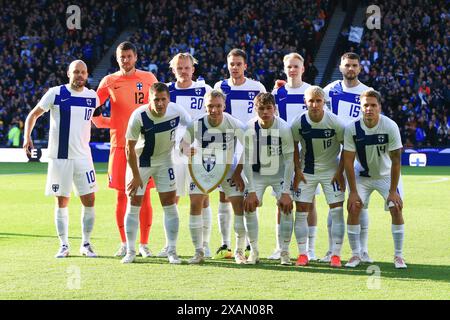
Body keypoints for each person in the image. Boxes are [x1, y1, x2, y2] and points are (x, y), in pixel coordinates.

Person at [23, 60, 99, 258]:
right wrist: (27, 137)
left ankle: (86, 243)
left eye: (83, 72)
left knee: (89, 200)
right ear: (68, 74)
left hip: (84, 157)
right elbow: (34, 114)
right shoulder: (56, 93)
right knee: (62, 201)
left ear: (87, 74)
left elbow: (97, 120)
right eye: (76, 72)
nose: (80, 75)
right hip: (60, 157)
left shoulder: (92, 97)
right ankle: (64, 245)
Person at [92, 41, 158, 258]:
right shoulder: (109, 81)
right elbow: (92, 107)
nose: (126, 60)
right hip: (119, 146)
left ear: (136, 57)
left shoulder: (148, 78)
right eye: (122, 57)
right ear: (117, 58)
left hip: (145, 146)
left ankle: (144, 244)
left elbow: (160, 107)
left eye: (129, 56)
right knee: (122, 196)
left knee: (145, 196)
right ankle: (124, 242)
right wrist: (107, 122)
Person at [121, 83, 191, 264]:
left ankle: (172, 250)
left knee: (169, 204)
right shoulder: (139, 116)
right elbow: (128, 148)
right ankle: (130, 251)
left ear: (168, 99)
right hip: (140, 162)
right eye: (156, 100)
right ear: (149, 100)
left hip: (165, 161)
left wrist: (185, 143)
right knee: (134, 203)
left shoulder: (176, 111)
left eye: (163, 99)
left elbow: (192, 126)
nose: (160, 104)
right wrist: (136, 176)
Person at [157, 53, 213, 258]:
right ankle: (169, 244)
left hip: (200, 152)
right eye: (179, 68)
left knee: (202, 199)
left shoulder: (205, 90)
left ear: (193, 69)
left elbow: (211, 119)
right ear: (173, 70)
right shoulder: (166, 91)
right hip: (173, 154)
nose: (183, 71)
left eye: (187, 67)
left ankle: (205, 244)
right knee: (171, 198)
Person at [343, 89, 406, 269]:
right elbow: (348, 161)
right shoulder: (352, 128)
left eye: (373, 105)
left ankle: (399, 256)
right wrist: (353, 192)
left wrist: (393, 191)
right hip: (362, 177)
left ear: (379, 107)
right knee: (354, 207)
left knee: (396, 207)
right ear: (360, 108)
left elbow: (396, 160)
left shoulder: (390, 126)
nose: (369, 109)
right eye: (365, 105)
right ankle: (356, 254)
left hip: (387, 176)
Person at [181, 89, 246, 264]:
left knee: (239, 205)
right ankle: (198, 251)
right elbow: (183, 143)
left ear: (224, 105)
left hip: (228, 171)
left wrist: (239, 171)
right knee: (195, 203)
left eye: (218, 106)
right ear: (205, 106)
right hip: (204, 170)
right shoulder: (197, 124)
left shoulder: (234, 123)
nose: (214, 110)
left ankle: (239, 251)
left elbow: (250, 146)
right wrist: (187, 150)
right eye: (210, 106)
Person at [213, 48, 266, 259]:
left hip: (250, 146)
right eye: (231, 64)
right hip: (227, 147)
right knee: (224, 196)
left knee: (249, 196)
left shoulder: (257, 87)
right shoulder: (220, 86)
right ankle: (225, 243)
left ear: (245, 65)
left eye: (238, 64)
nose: (234, 67)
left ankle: (248, 245)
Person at [322, 52, 373, 264]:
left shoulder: (368, 93)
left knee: (358, 204)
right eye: (347, 65)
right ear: (340, 67)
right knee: (334, 206)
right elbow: (313, 108)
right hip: (333, 156)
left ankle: (362, 250)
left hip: (360, 157)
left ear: (359, 68)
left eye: (354, 65)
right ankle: (332, 250)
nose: (350, 69)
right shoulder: (329, 91)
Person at [270, 52, 320, 261]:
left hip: (308, 154)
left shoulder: (311, 92)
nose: (292, 70)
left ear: (303, 68)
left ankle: (310, 248)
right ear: (284, 68)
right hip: (282, 154)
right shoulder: (276, 93)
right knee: (281, 200)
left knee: (309, 202)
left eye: (296, 66)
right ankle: (281, 247)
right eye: (289, 66)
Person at [291, 86, 346, 267]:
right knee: (300, 213)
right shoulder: (298, 122)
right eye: (311, 101)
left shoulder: (336, 123)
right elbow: (293, 146)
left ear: (324, 102)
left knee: (337, 212)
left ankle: (336, 255)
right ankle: (302, 254)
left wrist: (340, 171)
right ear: (305, 102)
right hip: (307, 172)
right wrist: (297, 170)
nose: (314, 105)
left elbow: (347, 147)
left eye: (318, 101)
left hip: (331, 171)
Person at [243, 93, 295, 265]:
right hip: (257, 175)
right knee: (249, 207)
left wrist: (286, 191)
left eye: (268, 108)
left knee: (287, 208)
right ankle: (254, 251)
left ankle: (284, 251)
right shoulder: (249, 127)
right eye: (261, 108)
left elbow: (289, 161)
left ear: (275, 109)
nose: (265, 112)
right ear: (255, 109)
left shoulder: (284, 128)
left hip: (279, 174)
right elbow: (247, 160)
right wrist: (250, 190)